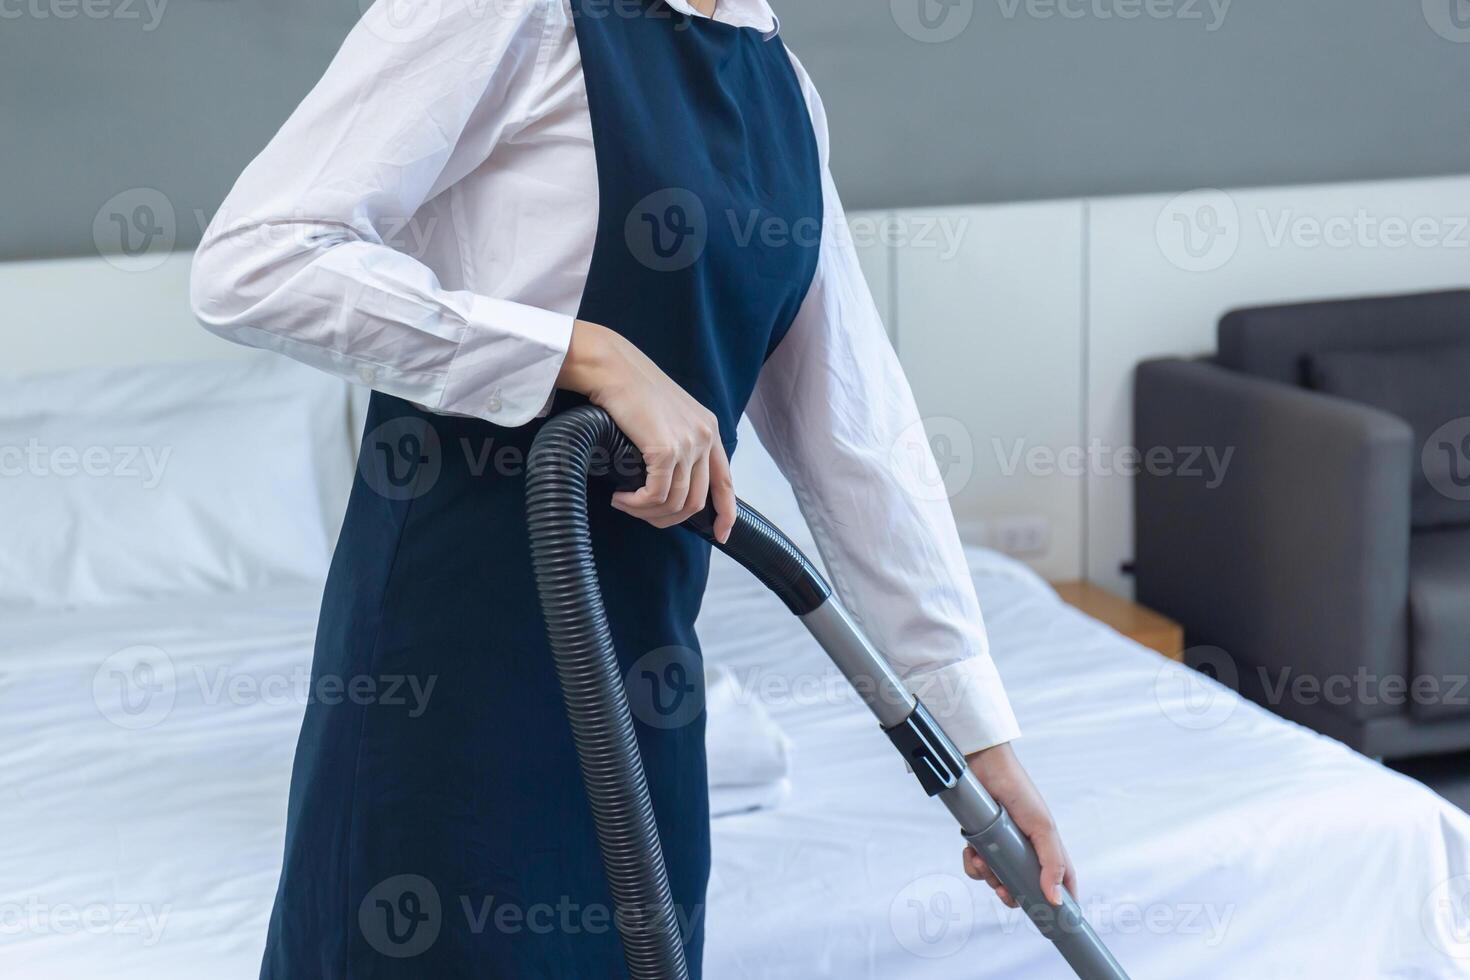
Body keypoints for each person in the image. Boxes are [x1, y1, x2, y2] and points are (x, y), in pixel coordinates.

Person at [189, 0, 1075, 974]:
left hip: (646, 677)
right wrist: (586, 354)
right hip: (447, 676)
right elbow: (253, 263)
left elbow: (856, 437)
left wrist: (985, 747)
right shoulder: (499, 13)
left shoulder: (781, 86)